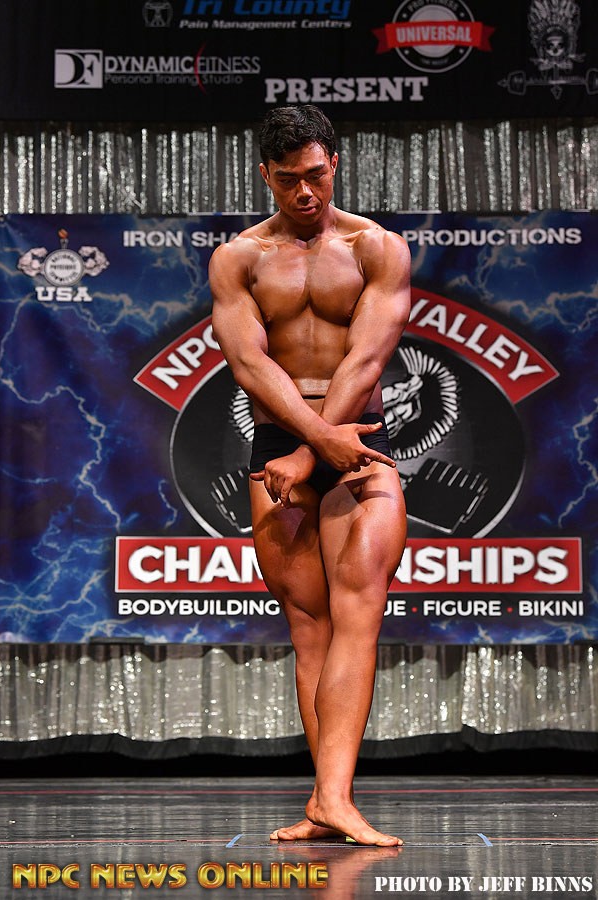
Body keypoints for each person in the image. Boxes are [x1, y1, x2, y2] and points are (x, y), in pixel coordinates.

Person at [209, 104, 410, 847]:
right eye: (289, 178)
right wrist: (309, 443)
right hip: (283, 444)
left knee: (360, 609)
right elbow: (249, 362)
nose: (305, 191)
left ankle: (334, 797)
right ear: (266, 174)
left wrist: (318, 449)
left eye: (317, 176)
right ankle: (326, 799)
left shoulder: (376, 248)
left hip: (362, 443)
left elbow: (369, 355)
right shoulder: (239, 259)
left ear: (335, 166)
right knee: (310, 627)